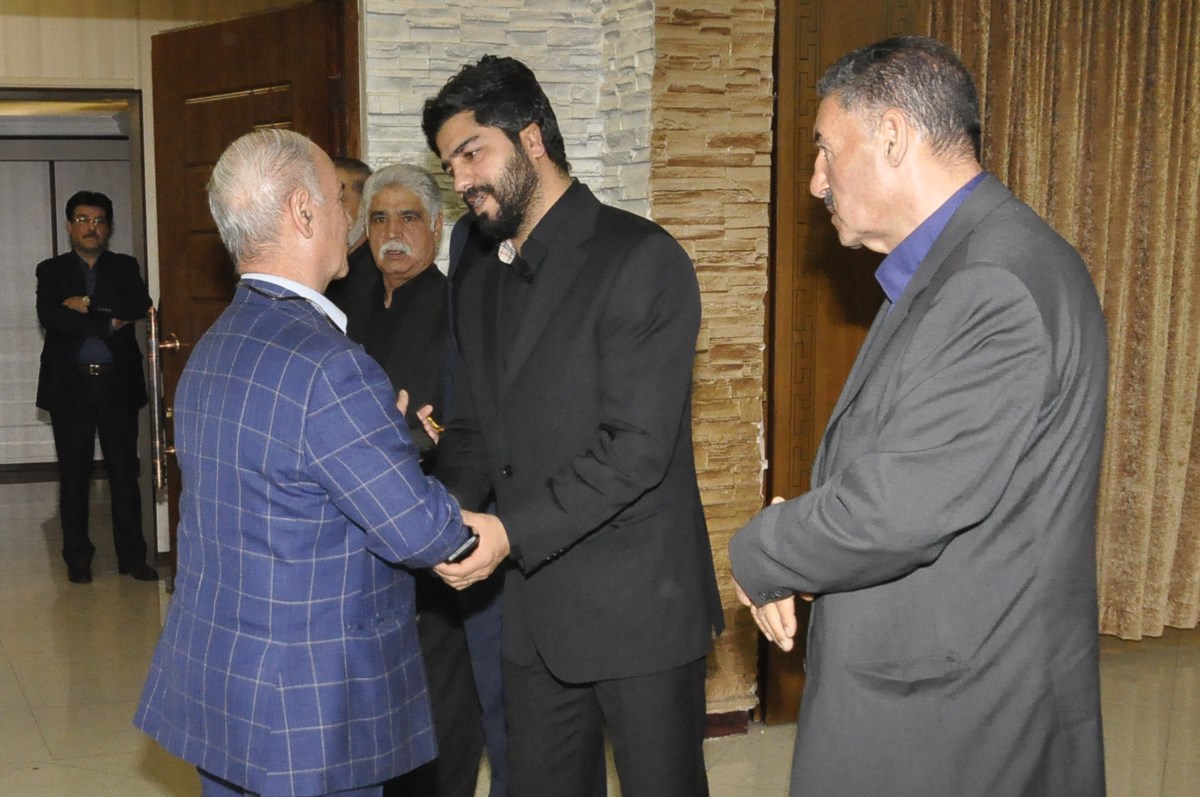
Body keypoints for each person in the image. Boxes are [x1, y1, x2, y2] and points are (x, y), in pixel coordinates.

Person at [729, 36, 1108, 796]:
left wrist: (764, 546)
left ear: (894, 137)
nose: (816, 181)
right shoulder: (970, 261)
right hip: (950, 693)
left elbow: (896, 510)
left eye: (825, 150)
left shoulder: (991, 281)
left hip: (959, 720)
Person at [134, 129, 501, 797]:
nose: (350, 218)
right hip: (306, 710)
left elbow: (285, 480)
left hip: (225, 688)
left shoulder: (214, 345)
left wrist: (382, 439)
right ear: (304, 212)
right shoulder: (329, 364)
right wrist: (492, 532)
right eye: (339, 198)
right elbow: (419, 532)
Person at [421, 55, 724, 797]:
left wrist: (507, 533)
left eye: (471, 154)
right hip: (531, 618)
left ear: (532, 140)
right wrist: (431, 519)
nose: (461, 181)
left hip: (641, 611)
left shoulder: (643, 258)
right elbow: (474, 427)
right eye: (450, 166)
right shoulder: (478, 266)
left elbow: (635, 451)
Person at [336, 162, 485, 797]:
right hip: (357, 541)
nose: (393, 233)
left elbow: (476, 428)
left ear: (438, 226)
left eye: (408, 218)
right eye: (378, 219)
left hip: (433, 532)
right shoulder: (345, 307)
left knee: (437, 707)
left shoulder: (460, 311)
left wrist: (425, 437)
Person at [35, 190, 157, 584]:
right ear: (70, 227)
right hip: (70, 388)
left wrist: (86, 302)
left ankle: (132, 557)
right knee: (74, 475)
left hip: (116, 386)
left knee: (124, 473)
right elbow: (52, 317)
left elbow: (138, 305)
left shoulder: (124, 266)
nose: (92, 228)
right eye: (84, 220)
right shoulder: (51, 270)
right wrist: (107, 321)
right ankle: (78, 558)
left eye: (99, 221)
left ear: (108, 228)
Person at [325, 156, 374, 310]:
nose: (326, 212)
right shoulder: (320, 268)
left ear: (367, 205)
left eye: (339, 199)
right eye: (322, 201)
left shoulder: (381, 275)